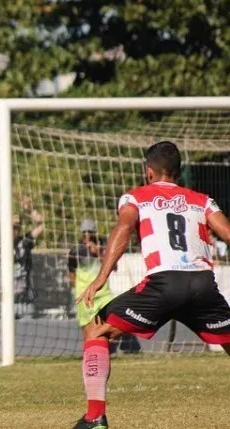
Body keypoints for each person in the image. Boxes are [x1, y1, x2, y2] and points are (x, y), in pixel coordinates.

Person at [73, 141, 230, 429]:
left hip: (164, 284)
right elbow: (228, 233)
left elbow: (123, 228)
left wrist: (101, 277)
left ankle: (95, 417)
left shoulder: (135, 198)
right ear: (179, 173)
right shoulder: (202, 200)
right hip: (202, 285)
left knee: (96, 329)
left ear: (148, 172)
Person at [13, 209, 44, 318]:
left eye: (17, 228)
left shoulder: (24, 240)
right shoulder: (0, 243)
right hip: (7, 298)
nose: (14, 231)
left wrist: (31, 211)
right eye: (12, 227)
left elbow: (41, 227)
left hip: (24, 295)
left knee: (28, 327)